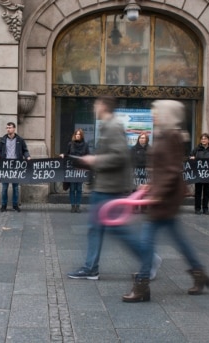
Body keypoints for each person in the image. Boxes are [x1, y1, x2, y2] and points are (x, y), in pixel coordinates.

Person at [123, 100, 209, 303]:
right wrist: (149, 185)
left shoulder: (172, 136)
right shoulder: (163, 134)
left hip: (165, 199)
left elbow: (172, 170)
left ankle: (142, 285)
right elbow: (161, 168)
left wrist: (158, 193)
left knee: (147, 241)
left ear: (167, 115)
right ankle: (199, 273)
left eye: (157, 112)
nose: (153, 115)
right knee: (178, 240)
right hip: (162, 196)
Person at [67, 96, 161, 281]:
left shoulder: (112, 126)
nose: (94, 107)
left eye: (96, 103)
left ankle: (148, 258)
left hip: (109, 188)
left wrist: (94, 160)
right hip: (105, 186)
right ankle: (90, 268)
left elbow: (119, 156)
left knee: (117, 229)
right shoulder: (108, 125)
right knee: (96, 227)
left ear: (103, 105)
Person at [0, 122, 31, 212]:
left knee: (15, 187)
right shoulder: (3, 140)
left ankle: (15, 205)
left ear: (14, 129)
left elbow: (25, 150)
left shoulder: (20, 140)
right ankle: (4, 205)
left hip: (16, 166)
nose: (8, 129)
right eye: (7, 127)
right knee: (4, 188)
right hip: (5, 166)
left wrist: (27, 156)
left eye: (10, 127)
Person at [189, 133, 209, 215]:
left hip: (208, 175)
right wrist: (191, 158)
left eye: (205, 139)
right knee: (198, 192)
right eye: (202, 139)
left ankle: (205, 208)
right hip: (198, 175)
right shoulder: (196, 149)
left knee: (206, 192)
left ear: (208, 140)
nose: (203, 140)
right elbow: (190, 157)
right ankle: (197, 208)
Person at [60, 128, 90, 213]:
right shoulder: (70, 144)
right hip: (72, 170)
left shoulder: (85, 145)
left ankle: (78, 206)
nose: (77, 136)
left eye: (79, 134)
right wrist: (63, 155)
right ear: (74, 135)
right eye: (76, 134)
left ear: (81, 136)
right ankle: (73, 206)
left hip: (80, 170)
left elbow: (88, 156)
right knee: (72, 189)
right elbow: (67, 154)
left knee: (79, 189)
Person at [131, 133, 150, 213]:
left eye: (144, 138)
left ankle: (143, 208)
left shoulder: (149, 149)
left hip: (145, 172)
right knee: (135, 189)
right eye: (141, 138)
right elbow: (130, 160)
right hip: (136, 171)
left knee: (144, 190)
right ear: (138, 139)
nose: (142, 139)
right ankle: (134, 207)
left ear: (146, 139)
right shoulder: (133, 149)